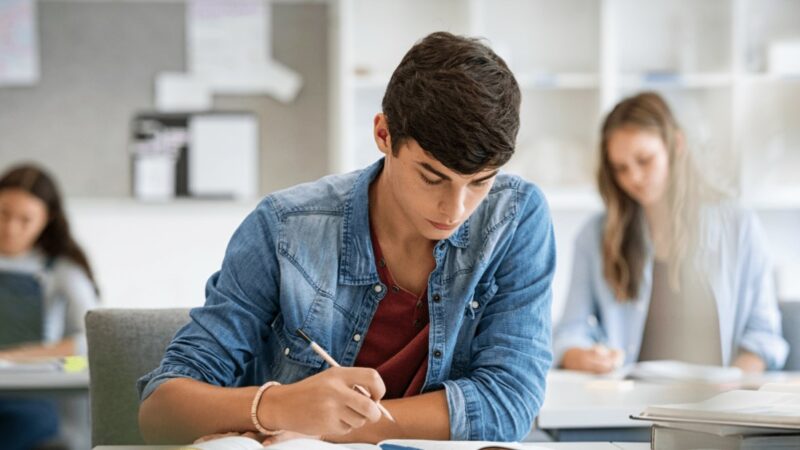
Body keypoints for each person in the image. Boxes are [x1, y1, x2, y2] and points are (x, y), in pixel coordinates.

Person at [137, 32, 555, 445]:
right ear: (383, 134)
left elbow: (508, 406)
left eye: (480, 183)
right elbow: (161, 410)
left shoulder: (515, 218)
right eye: (432, 177)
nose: (456, 208)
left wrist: (325, 427)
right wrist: (279, 406)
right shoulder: (285, 227)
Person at [553, 92, 787, 374]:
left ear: (676, 145)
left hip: (717, 408)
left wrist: (733, 387)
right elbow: (568, 332)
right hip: (627, 410)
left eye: (644, 160)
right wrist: (583, 356)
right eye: (620, 168)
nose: (634, 178)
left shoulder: (739, 226)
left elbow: (763, 336)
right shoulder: (595, 236)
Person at [0, 163, 100, 450]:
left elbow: (92, 341)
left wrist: (15, 356)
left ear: (48, 219)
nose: (9, 228)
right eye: (3, 213)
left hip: (31, 399)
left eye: (25, 220)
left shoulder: (62, 273)